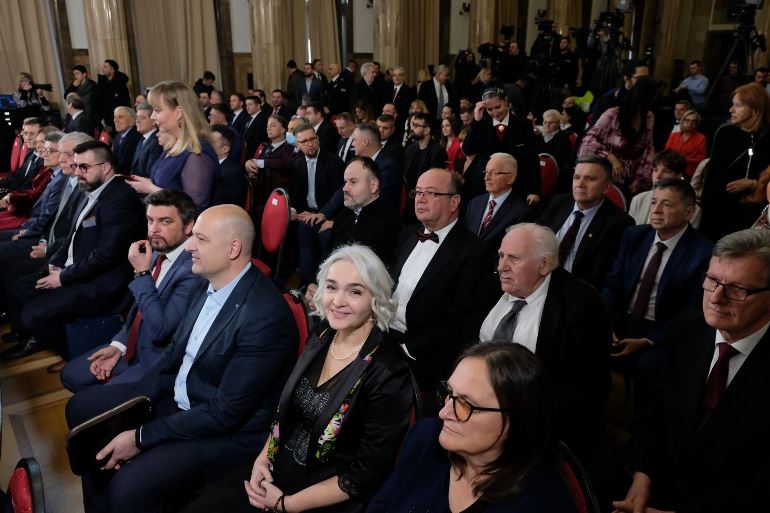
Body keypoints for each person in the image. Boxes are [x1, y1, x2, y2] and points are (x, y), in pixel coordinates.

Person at [64, 204, 298, 513]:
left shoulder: (265, 317)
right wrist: (134, 408)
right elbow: (173, 354)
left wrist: (139, 436)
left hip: (226, 432)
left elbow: (224, 414)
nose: (189, 246)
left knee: (127, 487)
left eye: (200, 239)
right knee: (83, 415)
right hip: (184, 396)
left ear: (233, 249)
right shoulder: (207, 281)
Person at [178, 244, 413, 513]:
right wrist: (263, 460)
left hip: (321, 495)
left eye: (355, 291)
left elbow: (364, 476)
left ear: (376, 298)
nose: (337, 301)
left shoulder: (389, 372)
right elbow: (285, 413)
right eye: (332, 287)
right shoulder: (323, 334)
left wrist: (285, 504)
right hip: (277, 469)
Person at [602, 229, 770, 513]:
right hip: (656, 477)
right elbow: (653, 416)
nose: (716, 298)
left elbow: (761, 483)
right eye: (712, 280)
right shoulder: (687, 329)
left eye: (738, 289)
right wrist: (642, 477)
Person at [367, 342, 577, 513]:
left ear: (516, 420)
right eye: (449, 393)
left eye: (465, 404)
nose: (443, 413)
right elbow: (380, 506)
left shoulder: (541, 503)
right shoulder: (426, 437)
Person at [1, 141, 146, 362]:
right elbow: (73, 235)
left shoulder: (119, 200)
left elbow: (105, 256)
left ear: (105, 167)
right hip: (77, 268)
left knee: (32, 315)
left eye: (83, 167)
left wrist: (63, 277)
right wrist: (55, 262)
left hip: (102, 284)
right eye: (76, 166)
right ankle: (36, 337)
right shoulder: (92, 188)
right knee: (20, 287)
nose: (77, 172)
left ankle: (79, 357)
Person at [60, 189, 201, 391]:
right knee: (70, 375)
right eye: (150, 220)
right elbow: (138, 312)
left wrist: (142, 274)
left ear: (188, 226)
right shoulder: (157, 251)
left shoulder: (193, 268)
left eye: (165, 221)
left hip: (156, 362)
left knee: (85, 404)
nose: (154, 229)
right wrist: (119, 346)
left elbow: (161, 331)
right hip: (133, 345)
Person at [603, 178, 713, 407]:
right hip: (621, 319)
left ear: (689, 212)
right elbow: (612, 284)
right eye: (654, 202)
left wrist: (648, 341)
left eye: (667, 204)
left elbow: (692, 310)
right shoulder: (634, 235)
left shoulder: (703, 252)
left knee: (649, 370)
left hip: (663, 328)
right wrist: (609, 324)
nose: (656, 210)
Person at [390, 169, 490, 408]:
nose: (420, 199)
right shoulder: (408, 234)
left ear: (454, 202)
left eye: (431, 193)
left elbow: (460, 321)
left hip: (423, 356)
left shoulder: (474, 251)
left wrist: (406, 348)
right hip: (387, 338)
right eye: (417, 192)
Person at [538, 155, 634, 290]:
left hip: (573, 290)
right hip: (537, 279)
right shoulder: (558, 203)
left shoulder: (619, 223)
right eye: (577, 177)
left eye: (590, 179)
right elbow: (534, 237)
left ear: (607, 187)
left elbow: (598, 275)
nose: (580, 184)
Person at [127, 81, 219, 211]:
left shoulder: (197, 154)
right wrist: (149, 184)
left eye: (157, 110)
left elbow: (194, 208)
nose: (153, 116)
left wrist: (151, 188)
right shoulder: (173, 146)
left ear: (178, 113)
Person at [700, 83, 770, 241]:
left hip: (750, 212)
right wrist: (704, 204)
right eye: (732, 104)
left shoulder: (767, 137)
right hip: (717, 208)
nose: (731, 109)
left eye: (738, 105)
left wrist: (753, 183)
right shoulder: (724, 131)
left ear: (755, 109)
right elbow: (712, 173)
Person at [579, 76, 657, 193]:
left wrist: (640, 179)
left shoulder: (649, 117)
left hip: (632, 177)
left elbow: (648, 151)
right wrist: (611, 157)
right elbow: (588, 142)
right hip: (606, 172)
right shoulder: (613, 114)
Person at [462, 87, 540, 205]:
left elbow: (532, 159)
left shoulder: (523, 124)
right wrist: (476, 121)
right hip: (483, 186)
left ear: (506, 101)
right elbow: (468, 150)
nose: (495, 112)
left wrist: (534, 191)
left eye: (498, 107)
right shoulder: (481, 124)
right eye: (489, 109)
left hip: (515, 186)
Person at [464, 153, 535, 260]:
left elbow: (512, 253)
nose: (486, 178)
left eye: (494, 173)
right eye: (486, 172)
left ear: (510, 178)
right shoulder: (475, 203)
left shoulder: (522, 213)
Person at [628, 149, 703, 228]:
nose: (658, 176)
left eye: (666, 171)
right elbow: (630, 232)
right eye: (655, 170)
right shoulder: (638, 199)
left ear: (678, 176)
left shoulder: (692, 210)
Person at [664, 109, 707, 178]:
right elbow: (666, 152)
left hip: (689, 171)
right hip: (671, 168)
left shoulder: (701, 138)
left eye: (693, 121)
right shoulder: (674, 135)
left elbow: (700, 159)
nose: (690, 123)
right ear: (682, 121)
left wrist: (681, 160)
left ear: (696, 124)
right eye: (687, 120)